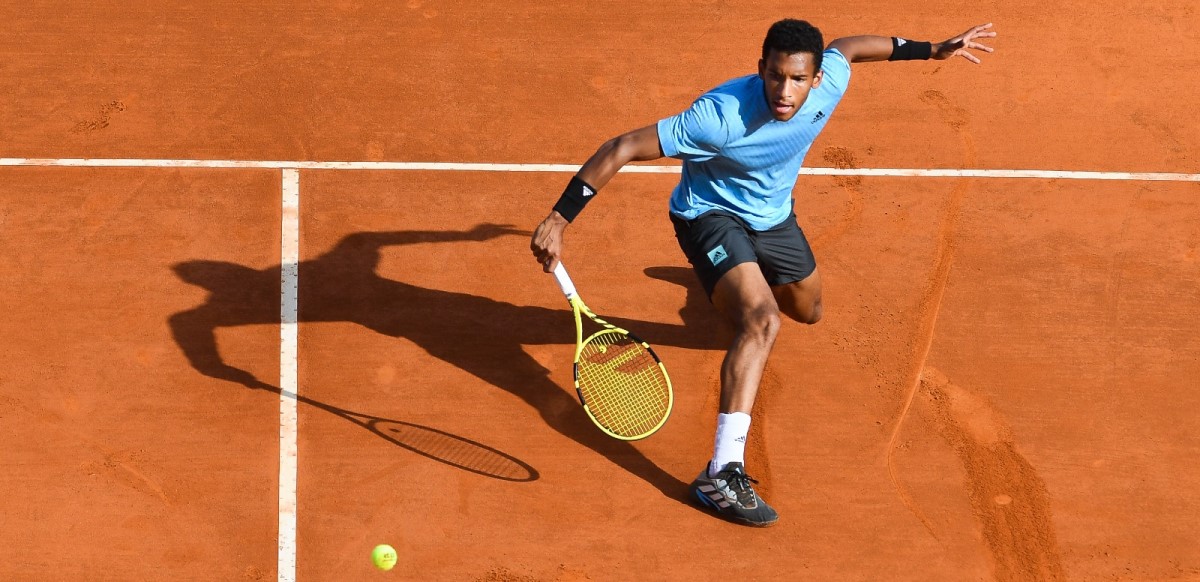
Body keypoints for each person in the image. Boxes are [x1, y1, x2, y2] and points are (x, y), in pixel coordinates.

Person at [530, 19, 996, 527]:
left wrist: (932, 50)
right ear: (761, 69)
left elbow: (850, 47)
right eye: (774, 76)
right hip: (709, 216)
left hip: (773, 217)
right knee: (763, 321)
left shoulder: (831, 81)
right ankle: (721, 473)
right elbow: (621, 147)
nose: (784, 91)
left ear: (817, 78)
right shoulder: (718, 117)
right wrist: (559, 219)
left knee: (808, 310)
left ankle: (731, 281)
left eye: (797, 79)